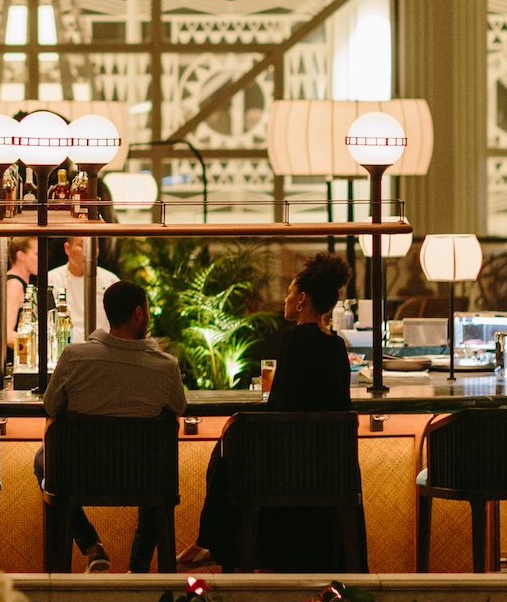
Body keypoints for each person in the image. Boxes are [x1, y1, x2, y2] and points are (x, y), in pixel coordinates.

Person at [178, 252, 355, 571]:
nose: (284, 300)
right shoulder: (337, 346)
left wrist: (242, 424)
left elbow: (281, 412)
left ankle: (217, 545)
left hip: (288, 471)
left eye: (289, 292)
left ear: (302, 300)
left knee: (224, 452)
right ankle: (212, 545)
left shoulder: (297, 339)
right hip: (331, 471)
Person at [37, 280, 187, 572]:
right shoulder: (165, 366)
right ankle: (139, 568)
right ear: (139, 314)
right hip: (146, 479)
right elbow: (179, 408)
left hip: (79, 477)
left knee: (44, 460)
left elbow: (50, 406)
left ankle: (91, 546)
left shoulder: (74, 357)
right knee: (158, 467)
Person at [45, 236, 119, 341]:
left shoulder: (110, 280)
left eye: (94, 246)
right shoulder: (51, 279)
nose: (89, 252)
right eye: (82, 246)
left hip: (103, 349)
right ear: (67, 249)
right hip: (65, 347)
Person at [2, 237, 36, 361]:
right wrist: (37, 348)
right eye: (37, 254)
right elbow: (7, 334)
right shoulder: (14, 284)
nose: (41, 259)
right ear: (21, 256)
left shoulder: (20, 283)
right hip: (16, 358)